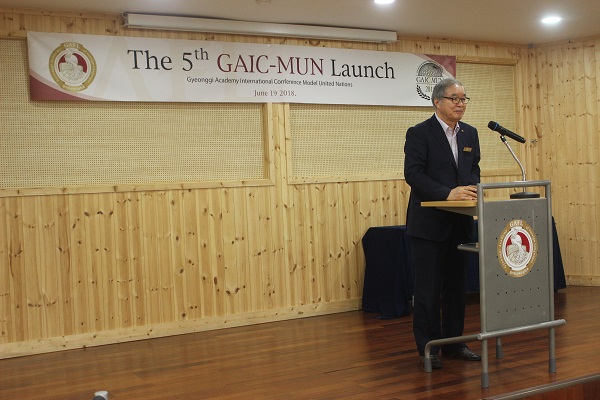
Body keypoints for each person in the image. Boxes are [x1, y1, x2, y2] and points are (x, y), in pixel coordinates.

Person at [403, 78, 481, 370]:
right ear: (437, 101)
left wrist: (471, 188)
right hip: (429, 225)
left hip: (460, 223)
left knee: (456, 289)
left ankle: (454, 344)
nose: (460, 104)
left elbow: (474, 169)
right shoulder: (419, 133)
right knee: (428, 290)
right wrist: (448, 193)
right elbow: (414, 174)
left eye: (463, 99)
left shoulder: (470, 133)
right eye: (454, 99)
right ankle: (429, 348)